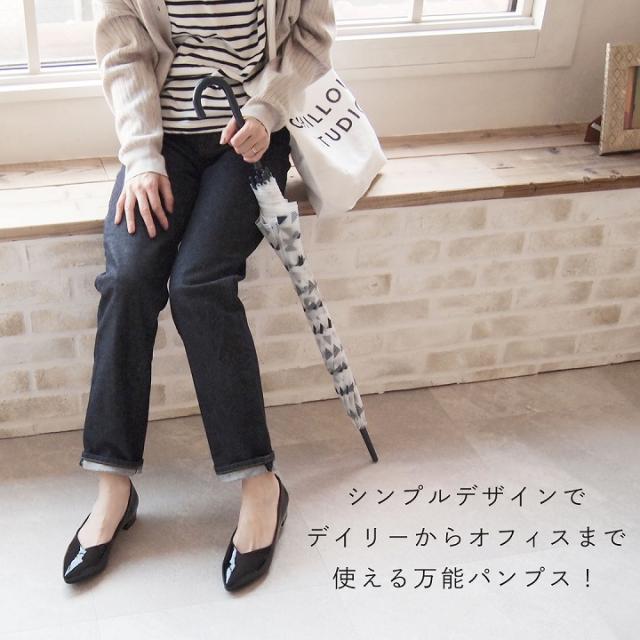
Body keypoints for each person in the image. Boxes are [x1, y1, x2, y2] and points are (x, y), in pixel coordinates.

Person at [62, 0, 335, 591]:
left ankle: (261, 484)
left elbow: (312, 36)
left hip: (250, 136)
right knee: (128, 280)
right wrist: (141, 157)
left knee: (199, 284)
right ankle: (113, 486)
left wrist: (266, 110)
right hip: (160, 143)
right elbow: (125, 55)